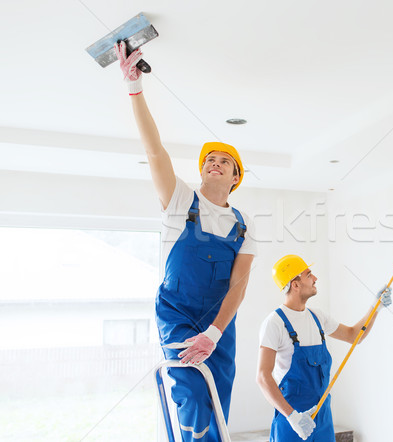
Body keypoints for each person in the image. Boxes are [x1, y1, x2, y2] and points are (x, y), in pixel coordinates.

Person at [114, 42, 257, 442]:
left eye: (224, 161)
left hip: (220, 325)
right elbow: (154, 150)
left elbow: (239, 285)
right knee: (192, 396)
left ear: (235, 178)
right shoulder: (180, 201)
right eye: (209, 159)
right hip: (177, 315)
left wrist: (214, 333)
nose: (214, 162)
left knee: (218, 403)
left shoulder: (244, 225)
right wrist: (134, 88)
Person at [256, 255, 391, 441]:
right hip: (292, 421)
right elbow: (263, 377)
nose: (315, 279)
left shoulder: (317, 317)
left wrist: (375, 308)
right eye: (309, 274)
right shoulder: (274, 323)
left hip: (323, 418)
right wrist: (293, 418)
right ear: (295, 284)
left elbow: (354, 336)